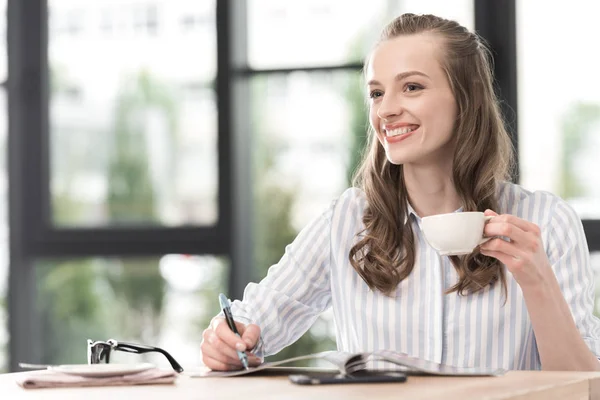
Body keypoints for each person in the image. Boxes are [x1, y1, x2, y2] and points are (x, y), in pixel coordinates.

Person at [200, 13, 600, 372]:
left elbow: (587, 387)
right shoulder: (346, 221)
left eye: (411, 87)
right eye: (376, 93)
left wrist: (536, 282)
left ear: (467, 99)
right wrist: (226, 340)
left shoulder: (545, 222)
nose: (386, 110)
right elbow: (251, 326)